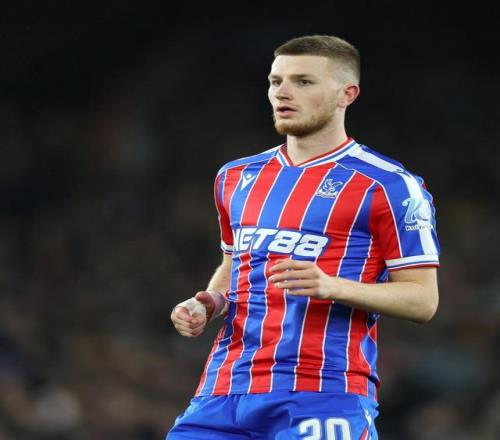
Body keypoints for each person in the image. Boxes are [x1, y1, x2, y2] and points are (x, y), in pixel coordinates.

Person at [167, 34, 440, 439]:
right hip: (223, 391)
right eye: (276, 81)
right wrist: (210, 301)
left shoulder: (389, 185)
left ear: (347, 94)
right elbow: (234, 264)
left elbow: (423, 300)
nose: (283, 92)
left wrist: (332, 286)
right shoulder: (236, 177)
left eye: (303, 81)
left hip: (324, 392)